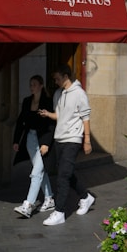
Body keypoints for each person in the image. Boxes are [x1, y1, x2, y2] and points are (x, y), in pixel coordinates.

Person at [39, 65, 95, 226]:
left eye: (57, 78)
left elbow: (85, 117)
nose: (55, 81)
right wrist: (48, 114)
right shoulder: (58, 94)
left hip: (73, 139)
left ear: (65, 76)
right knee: (66, 173)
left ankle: (59, 212)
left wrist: (87, 140)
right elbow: (59, 115)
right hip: (59, 139)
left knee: (63, 176)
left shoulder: (79, 93)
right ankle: (85, 197)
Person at [12, 75, 56, 219]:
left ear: (41, 85)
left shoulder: (47, 101)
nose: (32, 87)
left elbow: (51, 124)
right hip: (30, 140)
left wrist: (46, 143)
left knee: (36, 172)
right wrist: (16, 141)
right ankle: (49, 198)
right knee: (40, 170)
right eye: (30, 84)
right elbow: (20, 122)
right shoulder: (27, 101)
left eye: (34, 84)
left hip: (43, 140)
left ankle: (28, 205)